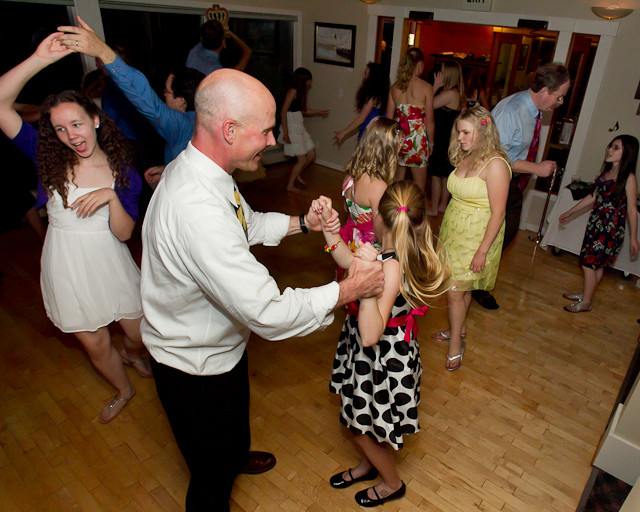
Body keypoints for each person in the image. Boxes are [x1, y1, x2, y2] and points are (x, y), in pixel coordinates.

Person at [139, 67, 385, 511]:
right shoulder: (196, 209)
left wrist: (302, 224)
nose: (275, 141)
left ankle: (235, 454)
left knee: (234, 428)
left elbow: (246, 223)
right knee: (209, 480)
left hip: (221, 348)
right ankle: (221, 469)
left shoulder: (208, 171)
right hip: (192, 366)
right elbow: (269, 312)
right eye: (267, 131)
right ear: (229, 130)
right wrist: (350, 288)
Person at [0, 33, 151, 423]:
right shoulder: (46, 156)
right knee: (97, 345)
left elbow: (123, 234)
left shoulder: (124, 173)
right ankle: (124, 388)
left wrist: (111, 197)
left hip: (110, 261)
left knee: (138, 335)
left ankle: (133, 356)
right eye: (61, 129)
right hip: (65, 264)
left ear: (96, 120)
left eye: (78, 124)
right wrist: (38, 58)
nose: (72, 136)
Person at [313, 181, 447, 507]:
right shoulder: (394, 248)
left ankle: (392, 482)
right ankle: (369, 464)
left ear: (379, 218)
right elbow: (348, 261)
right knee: (367, 423)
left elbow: (371, 333)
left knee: (360, 425)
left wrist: (370, 284)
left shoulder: (391, 264)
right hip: (381, 351)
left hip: (381, 358)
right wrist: (331, 233)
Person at [58, 16, 205, 187]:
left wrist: (103, 52)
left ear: (181, 101)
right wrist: (168, 169)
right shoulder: (203, 122)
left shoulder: (181, 125)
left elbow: (145, 98)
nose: (163, 95)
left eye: (166, 92)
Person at [472, 62, 570, 310]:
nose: (560, 103)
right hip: (494, 182)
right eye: (559, 97)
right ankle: (474, 284)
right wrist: (536, 168)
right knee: (496, 235)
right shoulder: (512, 111)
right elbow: (494, 158)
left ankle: (479, 280)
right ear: (546, 90)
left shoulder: (532, 111)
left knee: (505, 234)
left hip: (511, 181)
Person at [431, 107, 511, 370]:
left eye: (466, 132)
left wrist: (482, 251)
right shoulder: (465, 156)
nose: (460, 137)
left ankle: (456, 344)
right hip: (454, 230)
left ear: (483, 130)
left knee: (455, 292)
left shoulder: (496, 164)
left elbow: (498, 213)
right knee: (458, 287)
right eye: (459, 132)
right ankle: (460, 328)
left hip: (477, 237)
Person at [559, 135, 639, 312]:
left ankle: (586, 302)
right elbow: (593, 197)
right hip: (596, 224)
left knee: (589, 263)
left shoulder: (629, 178)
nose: (610, 150)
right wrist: (570, 212)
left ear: (627, 153)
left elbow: (632, 209)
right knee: (596, 264)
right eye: (610, 146)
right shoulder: (607, 173)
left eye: (616, 147)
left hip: (611, 229)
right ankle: (587, 295)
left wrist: (634, 238)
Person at [338, 117, 402, 254]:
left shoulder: (351, 176)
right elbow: (380, 227)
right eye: (399, 143)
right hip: (369, 248)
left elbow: (346, 208)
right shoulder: (378, 186)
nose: (402, 147)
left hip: (353, 240)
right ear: (389, 149)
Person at [386, 47, 435, 194]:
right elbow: (430, 120)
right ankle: (416, 215)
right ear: (419, 64)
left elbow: (388, 119)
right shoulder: (426, 87)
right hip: (418, 140)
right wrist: (431, 142)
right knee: (419, 186)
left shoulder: (394, 88)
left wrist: (389, 141)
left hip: (399, 138)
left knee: (397, 183)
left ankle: (396, 212)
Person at [278, 67, 329, 193]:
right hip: (291, 127)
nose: (310, 83)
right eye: (308, 81)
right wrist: (285, 132)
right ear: (303, 80)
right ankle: (290, 185)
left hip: (299, 126)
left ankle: (298, 174)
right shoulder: (293, 91)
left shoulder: (300, 92)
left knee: (311, 155)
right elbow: (283, 111)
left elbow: (302, 110)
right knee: (301, 159)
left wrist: (319, 111)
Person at [428, 60, 465, 216]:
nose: (438, 74)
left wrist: (434, 86)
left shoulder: (449, 94)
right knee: (445, 176)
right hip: (448, 140)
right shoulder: (457, 93)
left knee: (436, 176)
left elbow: (427, 104)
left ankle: (435, 208)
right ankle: (442, 205)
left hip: (442, 140)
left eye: (441, 71)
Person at [333, 62, 389, 146]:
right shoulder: (384, 94)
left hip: (370, 134)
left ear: (373, 78)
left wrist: (343, 133)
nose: (363, 76)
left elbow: (361, 118)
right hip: (379, 133)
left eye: (366, 74)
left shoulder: (373, 96)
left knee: (363, 157)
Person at [186, 19, 252, 76]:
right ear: (223, 42)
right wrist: (232, 35)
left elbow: (206, 37)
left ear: (201, 38)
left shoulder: (194, 54)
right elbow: (248, 51)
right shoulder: (219, 72)